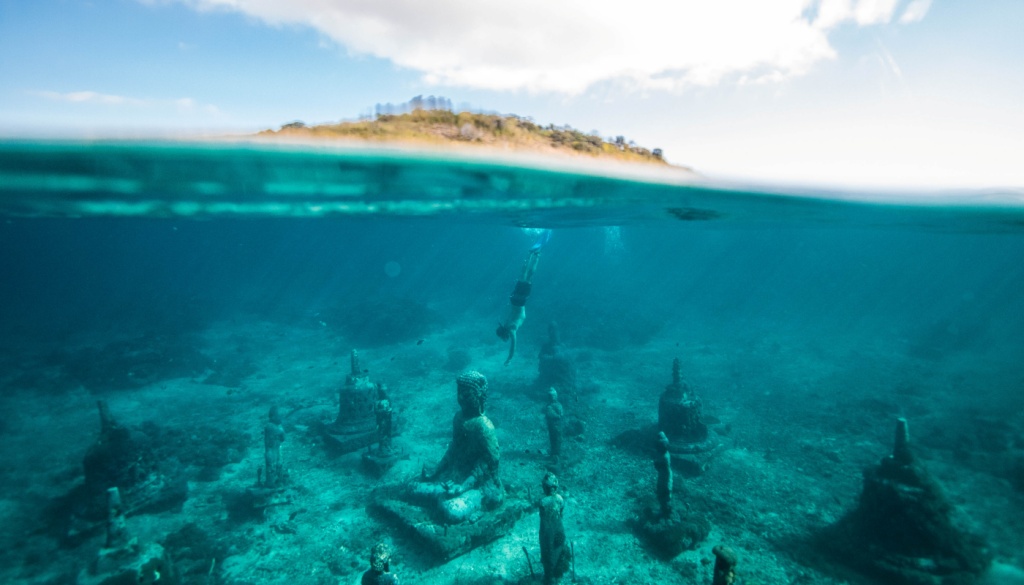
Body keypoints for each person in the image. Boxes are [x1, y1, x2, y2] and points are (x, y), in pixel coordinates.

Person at [497, 231, 549, 365]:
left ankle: (536, 254)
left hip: (521, 301)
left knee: (530, 276)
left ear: (505, 335)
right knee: (523, 275)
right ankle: (530, 254)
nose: (506, 339)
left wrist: (509, 359)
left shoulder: (512, 330)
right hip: (514, 299)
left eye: (505, 338)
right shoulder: (505, 324)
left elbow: (513, 347)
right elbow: (509, 312)